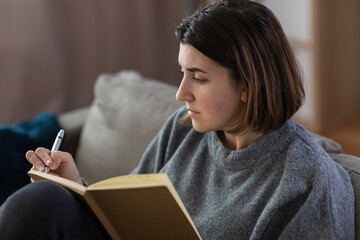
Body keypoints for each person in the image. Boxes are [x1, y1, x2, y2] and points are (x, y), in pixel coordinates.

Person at [0, 0, 355, 239]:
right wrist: (78, 186)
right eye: (182, 73)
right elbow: (125, 216)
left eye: (198, 78)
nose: (181, 93)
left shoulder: (307, 178)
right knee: (39, 203)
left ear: (250, 84)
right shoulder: (184, 128)